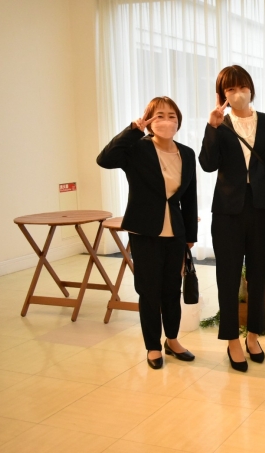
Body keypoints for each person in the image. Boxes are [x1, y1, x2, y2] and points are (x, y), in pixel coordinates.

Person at [97, 96, 198, 370]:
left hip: (175, 231)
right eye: (159, 115)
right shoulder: (137, 148)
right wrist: (133, 129)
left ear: (179, 121)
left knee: (172, 289)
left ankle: (172, 340)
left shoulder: (187, 153)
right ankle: (153, 346)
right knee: (149, 290)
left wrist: (190, 235)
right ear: (149, 120)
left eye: (172, 116)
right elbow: (104, 160)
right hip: (144, 229)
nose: (166, 121)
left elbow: (189, 197)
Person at [199, 65, 265, 372]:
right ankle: (232, 340)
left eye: (242, 87)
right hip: (227, 210)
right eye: (230, 89)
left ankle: (253, 336)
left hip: (262, 208)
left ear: (251, 88)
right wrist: (211, 127)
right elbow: (208, 164)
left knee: (258, 275)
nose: (238, 93)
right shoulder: (220, 124)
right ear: (222, 95)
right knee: (228, 276)